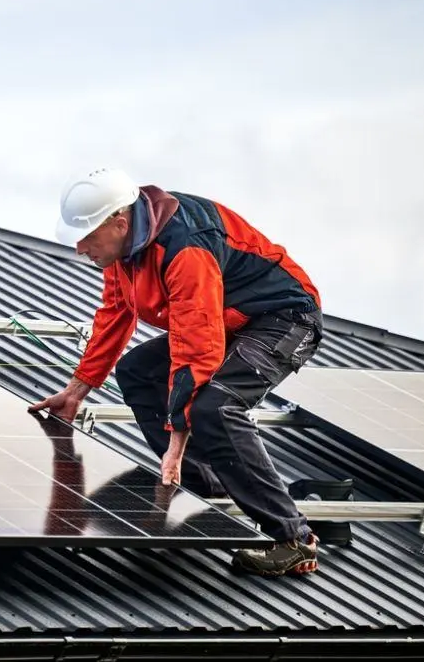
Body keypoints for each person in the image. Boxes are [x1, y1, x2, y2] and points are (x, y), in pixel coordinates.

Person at [29, 167, 324, 576]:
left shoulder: (185, 249)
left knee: (215, 407)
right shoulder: (125, 248)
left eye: (87, 238)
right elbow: (116, 315)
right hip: (228, 319)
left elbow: (196, 346)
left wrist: (176, 442)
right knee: (136, 370)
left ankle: (294, 539)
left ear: (118, 222)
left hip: (283, 318)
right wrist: (76, 391)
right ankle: (208, 482)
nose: (80, 249)